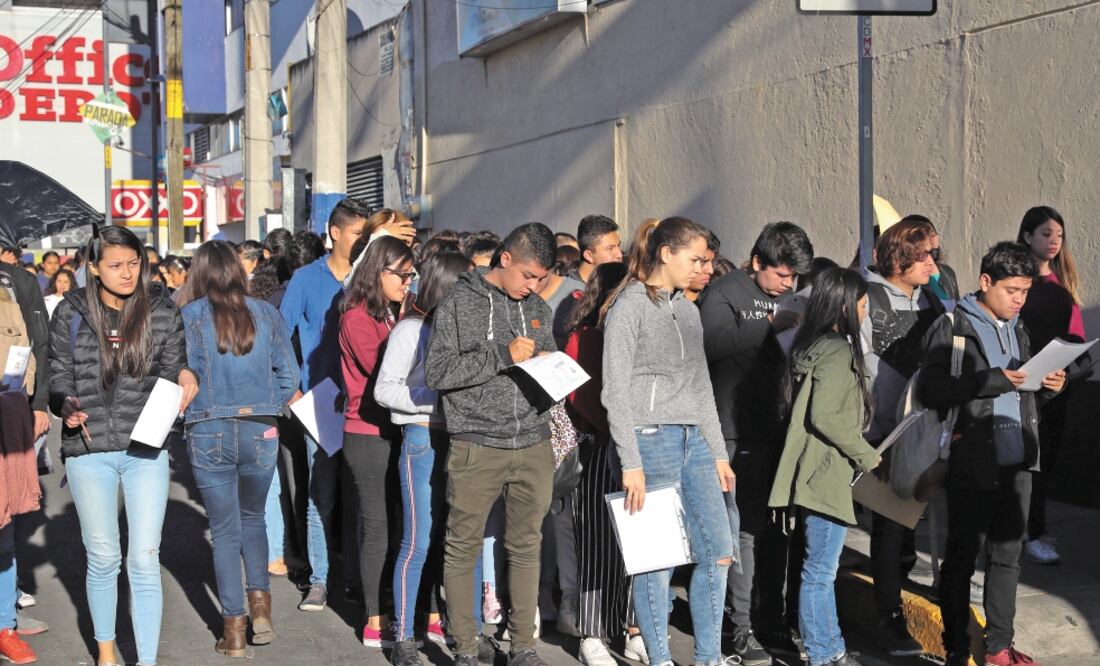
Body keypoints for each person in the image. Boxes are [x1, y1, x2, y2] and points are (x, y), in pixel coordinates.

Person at [48, 225, 199, 666]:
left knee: (146, 558)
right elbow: (59, 373)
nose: (127, 273)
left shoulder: (161, 308)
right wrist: (65, 404)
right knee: (103, 557)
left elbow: (176, 364)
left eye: (133, 263)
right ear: (93, 268)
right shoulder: (70, 312)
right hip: (87, 448)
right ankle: (107, 652)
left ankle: (147, 661)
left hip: (146, 449)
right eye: (115, 265)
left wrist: (187, 376)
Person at [918, 242, 1066, 666]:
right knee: (962, 557)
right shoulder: (953, 326)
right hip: (973, 461)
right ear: (985, 282)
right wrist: (990, 381)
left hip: (1018, 458)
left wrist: (1051, 388)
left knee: (1007, 557)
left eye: (1025, 292)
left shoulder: (1018, 328)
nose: (1019, 301)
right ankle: (956, 648)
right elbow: (932, 389)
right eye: (1011, 291)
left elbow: (1024, 392)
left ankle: (999, 645)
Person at [602, 216, 736, 666]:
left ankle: (708, 659)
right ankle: (659, 659)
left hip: (695, 442)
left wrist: (717, 450)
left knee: (717, 553)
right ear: (666, 253)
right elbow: (614, 390)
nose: (703, 267)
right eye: (695, 258)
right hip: (649, 440)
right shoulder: (629, 307)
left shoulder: (688, 309)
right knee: (655, 561)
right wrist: (630, 459)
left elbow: (701, 387)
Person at [424, 222, 559, 666]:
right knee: (462, 547)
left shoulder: (538, 306)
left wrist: (554, 371)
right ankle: (464, 648)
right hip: (477, 443)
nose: (534, 286)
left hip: (533, 444)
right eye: (528, 275)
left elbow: (548, 365)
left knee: (526, 546)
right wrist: (502, 355)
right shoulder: (459, 303)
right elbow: (438, 373)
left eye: (542, 277)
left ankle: (522, 646)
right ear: (505, 259)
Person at [698, 221, 814, 664]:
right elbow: (706, 346)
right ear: (758, 262)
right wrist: (767, 324)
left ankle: (772, 620)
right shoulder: (726, 291)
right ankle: (739, 627)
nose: (789, 283)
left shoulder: (792, 297)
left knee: (777, 531)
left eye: (795, 278)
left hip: (782, 429)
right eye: (782, 274)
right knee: (742, 532)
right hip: (735, 430)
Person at [179, 241, 300, 657]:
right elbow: (290, 374)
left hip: (208, 426)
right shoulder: (265, 312)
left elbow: (179, 375)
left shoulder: (189, 316)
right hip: (260, 428)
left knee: (225, 530)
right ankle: (261, 607)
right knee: (254, 519)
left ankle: (233, 632)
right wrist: (272, 406)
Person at [768, 267, 881, 666]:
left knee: (817, 567)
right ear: (848, 305)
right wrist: (869, 456)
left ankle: (829, 648)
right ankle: (824, 653)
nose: (866, 311)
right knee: (820, 570)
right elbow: (828, 418)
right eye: (864, 304)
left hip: (811, 469)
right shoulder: (836, 351)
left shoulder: (812, 343)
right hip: (825, 471)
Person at [375, 252, 474, 666]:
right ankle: (402, 636)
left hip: (466, 439)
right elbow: (384, 390)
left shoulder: (468, 330)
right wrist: (434, 397)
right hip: (422, 437)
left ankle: (465, 633)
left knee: (463, 540)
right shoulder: (411, 331)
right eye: (467, 284)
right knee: (417, 540)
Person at [281, 197, 370, 612]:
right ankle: (320, 580)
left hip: (367, 402)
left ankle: (355, 577)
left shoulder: (369, 278)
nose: (364, 240)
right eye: (358, 233)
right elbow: (279, 337)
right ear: (335, 233)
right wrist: (291, 389)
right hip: (319, 402)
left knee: (361, 495)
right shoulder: (304, 278)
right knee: (323, 494)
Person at [861, 219, 945, 657]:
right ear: (899, 258)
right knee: (888, 521)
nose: (933, 262)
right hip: (879, 431)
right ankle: (888, 614)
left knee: (910, 515)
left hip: (920, 426)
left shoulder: (929, 297)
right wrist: (871, 435)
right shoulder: (868, 297)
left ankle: (902, 576)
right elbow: (860, 368)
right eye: (924, 255)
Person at [559, 261, 649, 666]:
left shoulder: (632, 331)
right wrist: (615, 426)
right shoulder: (586, 334)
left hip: (635, 444)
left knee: (638, 544)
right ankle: (592, 634)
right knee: (596, 542)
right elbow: (578, 393)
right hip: (598, 446)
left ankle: (633, 627)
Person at [338, 236, 416, 646]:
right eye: (401, 274)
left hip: (393, 429)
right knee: (377, 528)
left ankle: (389, 603)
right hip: (367, 433)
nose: (408, 281)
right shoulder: (356, 316)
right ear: (377, 272)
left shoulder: (388, 312)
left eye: (411, 273)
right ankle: (373, 618)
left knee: (398, 523)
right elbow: (384, 368)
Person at [1016, 206, 1086, 566]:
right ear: (1027, 237)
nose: (1054, 241)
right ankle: (1029, 531)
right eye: (1046, 234)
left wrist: (1077, 361)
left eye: (1059, 234)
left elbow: (1074, 336)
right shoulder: (1016, 283)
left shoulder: (1063, 286)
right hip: (1019, 386)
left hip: (1056, 386)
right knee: (1023, 461)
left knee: (1045, 461)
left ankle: (1035, 528)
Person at [573, 215, 622, 283]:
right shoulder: (569, 289)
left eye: (619, 245)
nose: (619, 254)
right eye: (610, 248)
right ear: (588, 256)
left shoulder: (619, 283)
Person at [682, 230, 719, 303]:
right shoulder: (660, 297)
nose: (710, 270)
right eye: (703, 261)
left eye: (711, 262)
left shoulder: (712, 302)